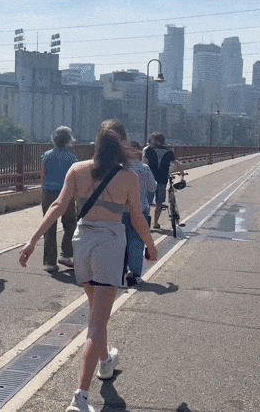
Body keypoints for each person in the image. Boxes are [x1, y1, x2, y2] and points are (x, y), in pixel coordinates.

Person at [18, 119, 158, 412]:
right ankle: (80, 396)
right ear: (121, 146)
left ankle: (106, 362)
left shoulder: (77, 170)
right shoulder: (128, 177)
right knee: (96, 322)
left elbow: (57, 206)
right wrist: (151, 245)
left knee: (98, 313)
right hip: (109, 246)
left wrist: (33, 240)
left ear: (95, 145)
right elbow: (138, 219)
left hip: (82, 244)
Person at [40, 126, 78, 273]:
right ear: (69, 140)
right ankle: (67, 255)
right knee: (70, 224)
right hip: (66, 194)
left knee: (49, 226)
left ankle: (50, 262)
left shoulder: (47, 155)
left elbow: (42, 176)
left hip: (49, 193)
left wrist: (43, 190)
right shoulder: (72, 157)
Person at [123, 141, 156, 286]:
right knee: (137, 242)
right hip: (141, 210)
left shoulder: (120, 168)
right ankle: (135, 274)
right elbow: (151, 187)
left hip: (121, 211)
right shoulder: (144, 169)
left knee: (120, 242)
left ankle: (121, 271)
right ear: (138, 152)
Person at [143, 132, 185, 229]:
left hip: (150, 179)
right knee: (159, 202)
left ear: (155, 140)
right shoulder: (168, 151)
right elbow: (176, 163)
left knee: (148, 202)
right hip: (162, 179)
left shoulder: (149, 150)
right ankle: (155, 223)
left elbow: (145, 163)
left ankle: (146, 223)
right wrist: (182, 172)